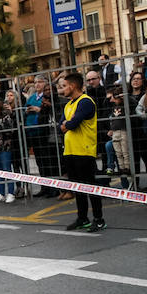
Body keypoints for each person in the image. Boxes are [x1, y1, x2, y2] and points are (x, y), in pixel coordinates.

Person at [59, 73, 105, 232]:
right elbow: (61, 125)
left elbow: (72, 124)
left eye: (64, 86)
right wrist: (66, 124)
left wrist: (68, 124)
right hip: (70, 151)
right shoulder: (68, 105)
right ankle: (82, 218)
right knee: (77, 187)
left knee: (90, 187)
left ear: (72, 86)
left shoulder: (85, 102)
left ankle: (99, 219)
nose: (62, 89)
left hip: (84, 151)